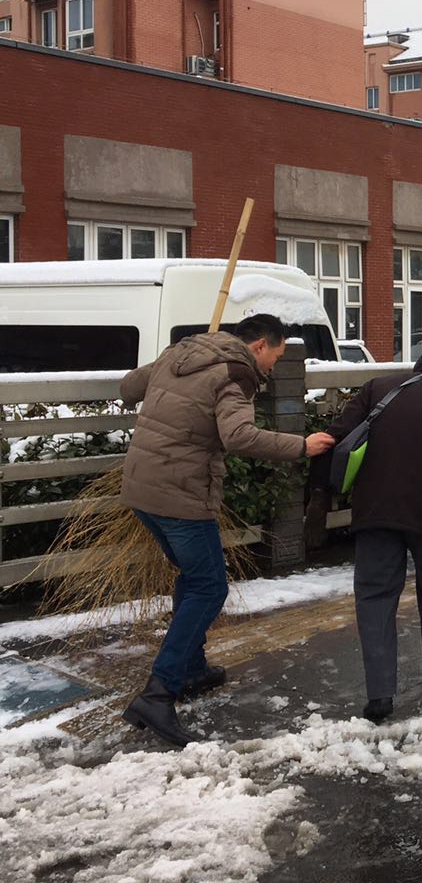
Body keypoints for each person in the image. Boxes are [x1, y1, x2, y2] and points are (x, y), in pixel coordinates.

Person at [118, 314, 336, 748]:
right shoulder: (237, 373)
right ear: (259, 346)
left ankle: (191, 668)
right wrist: (301, 445)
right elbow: (238, 436)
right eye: (276, 357)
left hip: (141, 489)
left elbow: (128, 389)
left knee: (194, 578)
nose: (273, 367)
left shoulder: (183, 351)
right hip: (182, 496)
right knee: (210, 587)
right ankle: (158, 693)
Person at [306, 346, 422, 723]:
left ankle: (379, 693)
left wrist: (318, 498)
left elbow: (334, 439)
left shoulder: (377, 388)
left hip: (375, 512)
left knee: (375, 596)